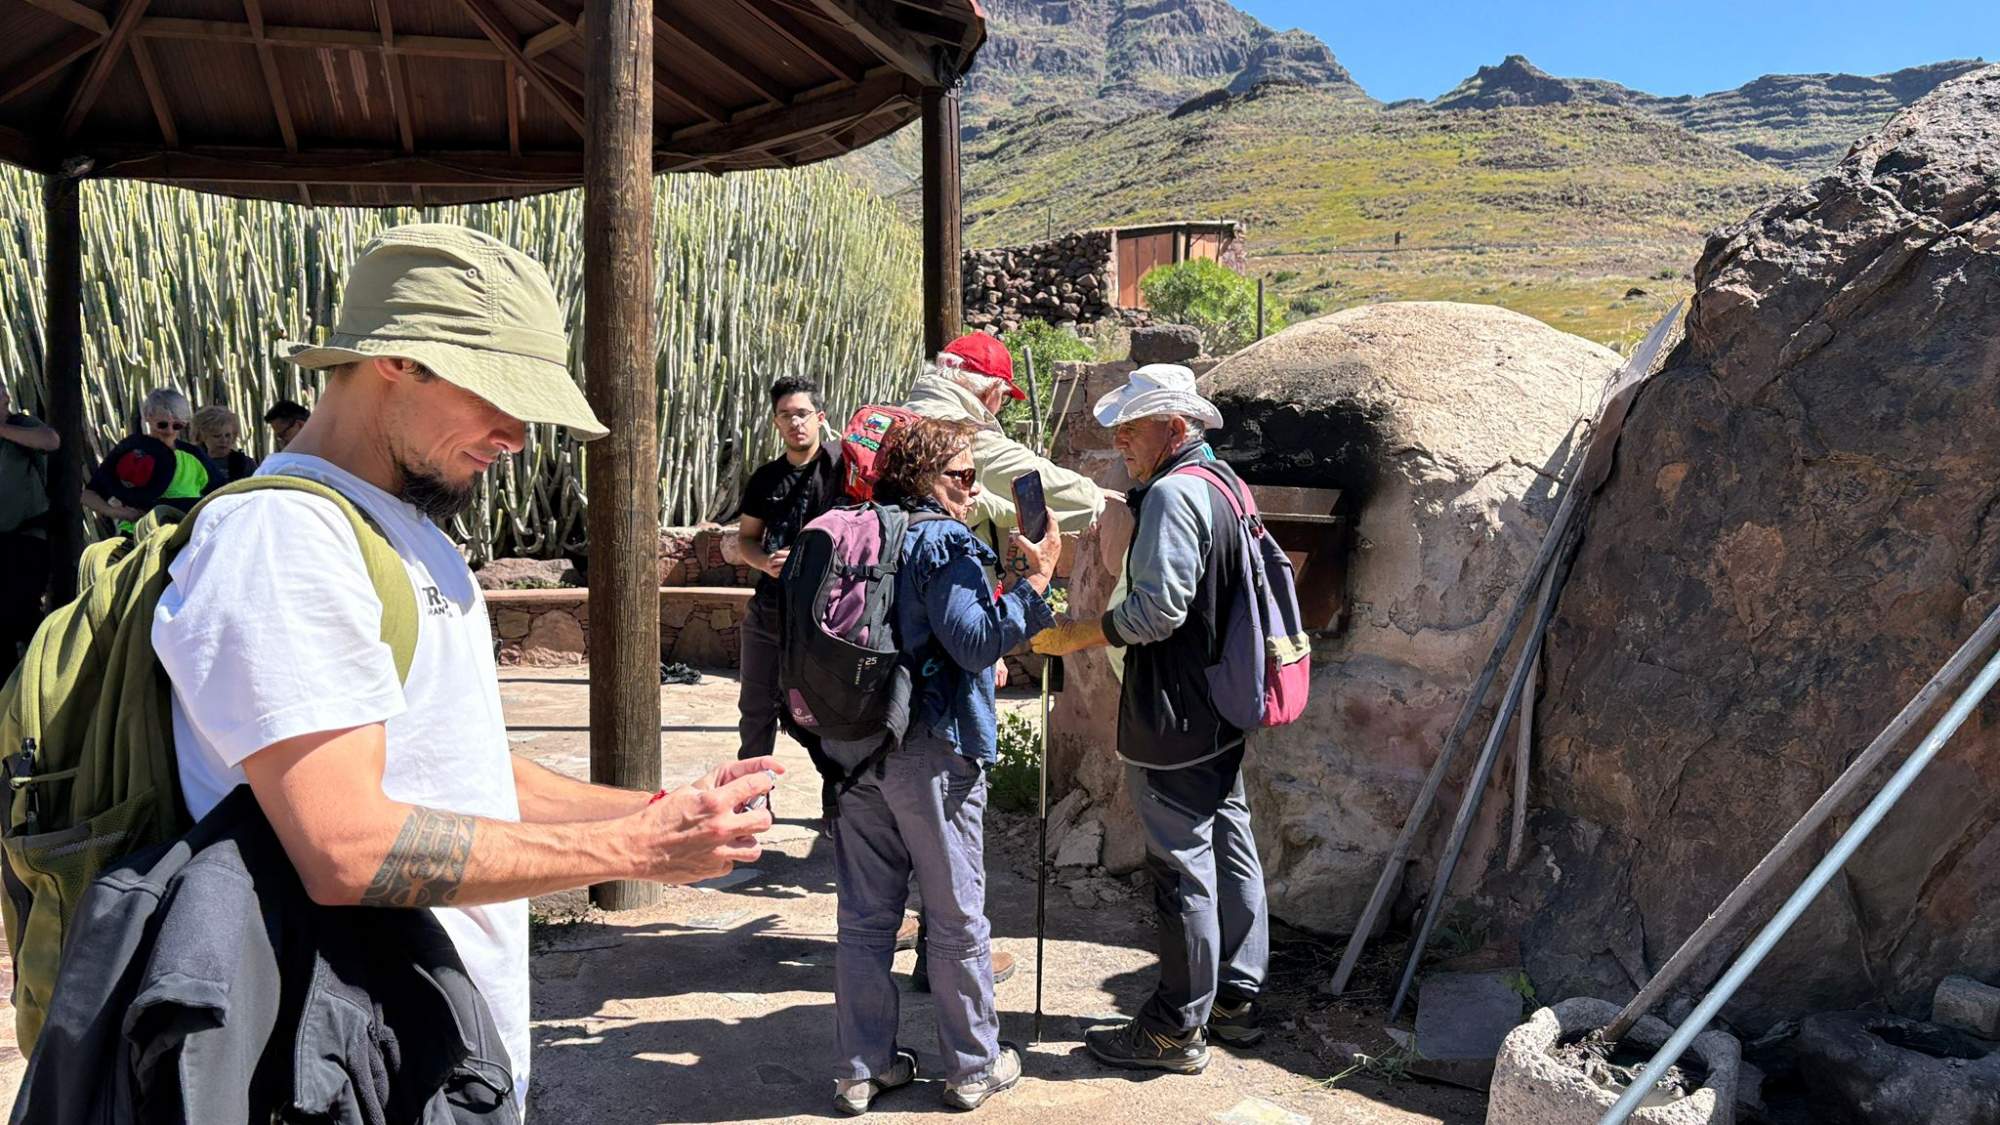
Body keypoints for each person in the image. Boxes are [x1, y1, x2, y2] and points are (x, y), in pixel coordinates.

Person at [149, 223, 783, 1110]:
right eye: (498, 394)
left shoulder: (406, 532)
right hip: (346, 1058)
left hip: (438, 1045)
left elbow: (464, 769)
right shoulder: (282, 539)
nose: (516, 435)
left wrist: (656, 810)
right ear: (397, 361)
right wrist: (632, 849)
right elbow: (344, 844)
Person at [1032, 363, 1271, 1074]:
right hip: (1221, 703)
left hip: (1173, 712)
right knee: (1228, 840)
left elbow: (1157, 610)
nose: (1120, 442)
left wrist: (1078, 634)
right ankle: (1234, 998)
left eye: (1131, 428)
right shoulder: (1223, 483)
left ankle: (1174, 1028)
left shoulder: (1172, 494)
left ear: (1174, 426)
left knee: (1181, 869)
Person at [820, 417, 1060, 1115]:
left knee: (865, 918)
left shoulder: (858, 531)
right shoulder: (943, 541)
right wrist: (1036, 580)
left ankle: (862, 1069)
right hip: (929, 748)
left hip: (855, 746)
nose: (973, 488)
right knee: (955, 915)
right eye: (962, 475)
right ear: (923, 476)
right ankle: (973, 1066)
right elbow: (974, 642)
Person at [901, 331, 1106, 990]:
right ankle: (955, 969)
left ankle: (902, 958)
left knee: (901, 813)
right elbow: (1082, 500)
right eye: (999, 397)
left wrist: (986, 505)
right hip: (949, 657)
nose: (999, 410)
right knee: (954, 814)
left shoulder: (893, 428)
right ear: (984, 391)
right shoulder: (964, 440)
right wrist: (1032, 583)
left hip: (888, 665)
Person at [735, 375, 843, 766]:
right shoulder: (765, 478)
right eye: (786, 415)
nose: (795, 422)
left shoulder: (842, 471)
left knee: (828, 711)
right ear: (776, 422)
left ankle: (839, 793)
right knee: (755, 711)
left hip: (827, 613)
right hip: (769, 610)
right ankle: (751, 791)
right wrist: (764, 562)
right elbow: (746, 539)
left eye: (802, 413)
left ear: (820, 417)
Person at [81, 387, 215, 532]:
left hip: (186, 529)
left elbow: (220, 493)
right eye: (162, 424)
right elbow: (89, 494)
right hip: (137, 531)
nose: (169, 431)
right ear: (148, 417)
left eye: (177, 425)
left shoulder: (194, 455)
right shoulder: (130, 449)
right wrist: (116, 512)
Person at [0, 379, 59, 682]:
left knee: (21, 614)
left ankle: (45, 681)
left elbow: (50, 440)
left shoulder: (21, 426)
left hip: (24, 540)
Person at [191, 403, 258, 485]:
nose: (224, 440)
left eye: (228, 435)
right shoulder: (192, 463)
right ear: (202, 436)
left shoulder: (246, 464)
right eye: (217, 436)